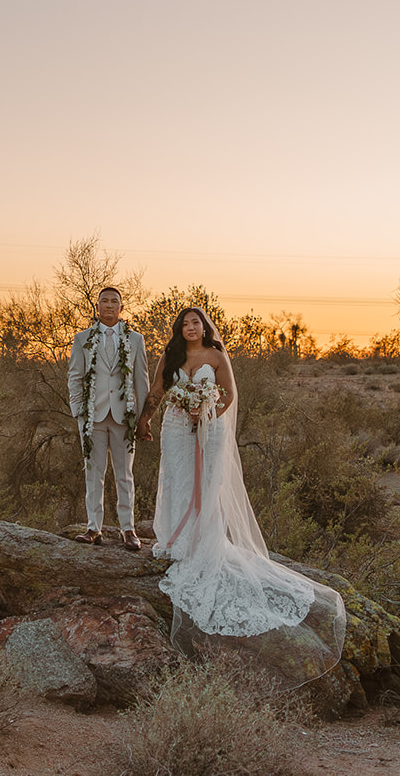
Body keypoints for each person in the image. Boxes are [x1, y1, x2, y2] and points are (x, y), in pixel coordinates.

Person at [143, 307, 346, 679]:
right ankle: (176, 540)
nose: (191, 328)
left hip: (209, 428)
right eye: (185, 323)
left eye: (196, 323)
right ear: (179, 329)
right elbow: (158, 390)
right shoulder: (170, 356)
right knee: (176, 479)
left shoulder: (217, 356)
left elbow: (229, 395)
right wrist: (144, 419)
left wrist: (205, 414)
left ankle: (202, 544)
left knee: (205, 485)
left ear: (204, 327)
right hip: (174, 427)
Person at [67, 287, 150, 549]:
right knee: (94, 473)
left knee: (125, 474)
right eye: (105, 301)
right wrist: (79, 412)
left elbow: (142, 381)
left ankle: (128, 529)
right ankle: (94, 528)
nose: (110, 305)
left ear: (121, 308)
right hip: (93, 416)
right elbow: (75, 377)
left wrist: (142, 417)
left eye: (115, 301)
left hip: (124, 417)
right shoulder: (83, 339)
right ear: (98, 306)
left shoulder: (135, 339)